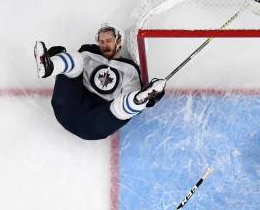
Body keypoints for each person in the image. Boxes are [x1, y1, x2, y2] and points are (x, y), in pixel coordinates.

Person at [34, 22, 166, 140]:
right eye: (101, 42)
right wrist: (57, 58)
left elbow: (129, 93)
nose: (104, 45)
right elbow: (68, 75)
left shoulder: (130, 69)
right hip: (67, 108)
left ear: (119, 40)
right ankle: (49, 66)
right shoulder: (89, 52)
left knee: (119, 109)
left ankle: (140, 99)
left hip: (94, 124)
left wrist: (150, 99)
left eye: (108, 40)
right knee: (77, 60)